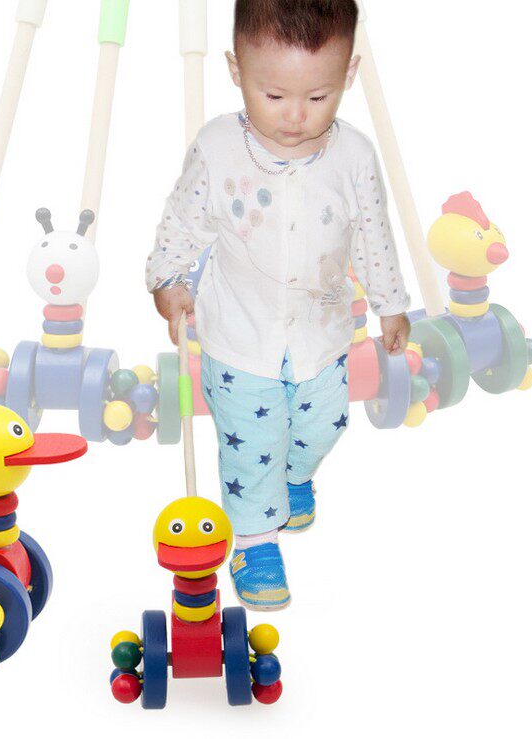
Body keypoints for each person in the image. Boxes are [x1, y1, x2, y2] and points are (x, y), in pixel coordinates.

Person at [146, 0, 410, 610]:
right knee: (250, 440)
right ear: (236, 70)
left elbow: (373, 235)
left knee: (326, 423)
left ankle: (294, 476)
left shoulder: (354, 157)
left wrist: (391, 303)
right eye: (274, 96)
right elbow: (182, 221)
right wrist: (167, 279)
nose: (295, 116)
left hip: (322, 332)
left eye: (318, 97)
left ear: (348, 74)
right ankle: (255, 541)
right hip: (239, 334)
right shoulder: (218, 148)